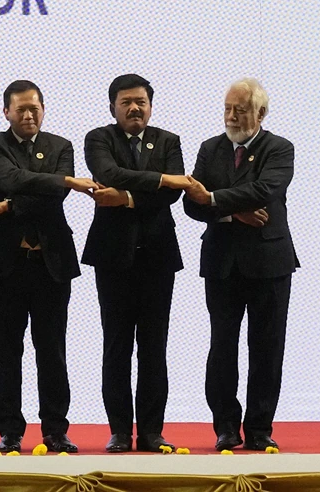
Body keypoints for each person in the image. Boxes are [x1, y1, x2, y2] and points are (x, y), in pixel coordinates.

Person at [0, 80, 102, 453]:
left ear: (43, 110)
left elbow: (52, 200)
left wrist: (11, 206)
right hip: (3, 265)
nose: (28, 115)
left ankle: (55, 429)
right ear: (6, 113)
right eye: (21, 109)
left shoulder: (60, 145)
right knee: (6, 350)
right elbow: (9, 179)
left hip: (51, 264)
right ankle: (10, 431)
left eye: (35, 108)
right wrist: (62, 180)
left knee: (52, 349)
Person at [182, 78, 297, 452]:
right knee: (222, 346)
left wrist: (215, 197)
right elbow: (190, 205)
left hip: (270, 261)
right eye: (228, 108)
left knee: (267, 347)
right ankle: (226, 428)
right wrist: (233, 215)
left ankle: (260, 428)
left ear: (260, 113)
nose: (232, 116)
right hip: (222, 262)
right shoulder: (209, 148)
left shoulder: (279, 148)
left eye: (241, 110)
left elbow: (265, 190)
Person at [82, 74, 189, 453]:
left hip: (158, 256)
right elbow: (108, 174)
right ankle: (118, 432)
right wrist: (160, 180)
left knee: (154, 347)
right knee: (116, 345)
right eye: (126, 102)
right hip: (112, 258)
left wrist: (126, 198)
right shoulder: (99, 139)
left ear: (150, 105)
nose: (134, 108)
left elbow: (173, 196)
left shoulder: (168, 140)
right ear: (113, 107)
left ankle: (151, 431)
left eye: (141, 101)